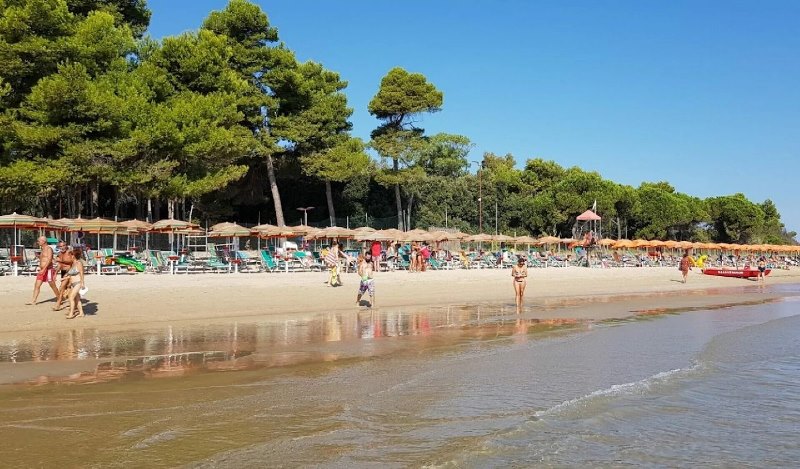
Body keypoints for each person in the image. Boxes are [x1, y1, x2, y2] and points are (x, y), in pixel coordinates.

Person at [28, 236, 59, 305]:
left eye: (39, 241)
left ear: (43, 241)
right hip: (42, 269)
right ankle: (33, 300)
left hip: (48, 269)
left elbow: (49, 259)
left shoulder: (49, 249)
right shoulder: (42, 249)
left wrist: (44, 269)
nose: (38, 242)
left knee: (52, 285)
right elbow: (43, 259)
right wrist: (39, 258)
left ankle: (59, 297)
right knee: (37, 285)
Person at [53, 243, 75, 311]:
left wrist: (60, 260)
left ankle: (58, 304)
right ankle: (72, 305)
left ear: (66, 246)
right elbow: (60, 265)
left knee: (62, 288)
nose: (62, 247)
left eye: (63, 246)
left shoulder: (69, 252)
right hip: (63, 272)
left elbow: (72, 261)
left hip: (70, 272)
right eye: (60, 246)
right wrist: (55, 273)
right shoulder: (60, 254)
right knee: (67, 289)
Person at [65, 248, 86, 319]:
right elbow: (71, 275)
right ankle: (81, 313)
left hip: (78, 283)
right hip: (73, 284)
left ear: (73, 256)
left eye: (71, 255)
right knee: (77, 299)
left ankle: (71, 314)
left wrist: (83, 283)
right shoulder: (73, 263)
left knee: (71, 297)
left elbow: (81, 273)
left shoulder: (79, 263)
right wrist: (66, 279)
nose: (70, 256)